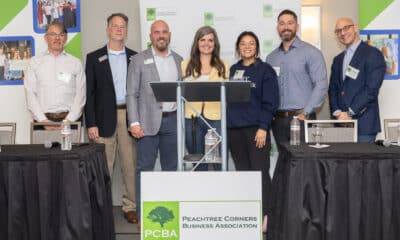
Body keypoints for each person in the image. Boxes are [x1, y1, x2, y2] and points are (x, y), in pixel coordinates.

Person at [126, 20, 182, 228]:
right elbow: (131, 93)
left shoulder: (178, 60)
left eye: (164, 32)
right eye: (156, 32)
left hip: (173, 123)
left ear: (169, 34)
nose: (161, 35)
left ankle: (170, 214)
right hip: (146, 124)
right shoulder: (138, 60)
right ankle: (143, 215)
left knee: (171, 169)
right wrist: (134, 122)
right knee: (144, 171)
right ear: (150, 36)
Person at [85, 13, 138, 223]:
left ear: (126, 31)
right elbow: (89, 94)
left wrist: (138, 120)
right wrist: (91, 123)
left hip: (129, 116)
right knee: (102, 167)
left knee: (129, 165)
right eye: (115, 26)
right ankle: (100, 208)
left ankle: (130, 207)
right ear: (107, 29)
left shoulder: (136, 57)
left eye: (122, 26)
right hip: (102, 119)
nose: (118, 29)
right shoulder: (94, 57)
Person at [227, 31, 279, 233]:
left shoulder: (265, 70)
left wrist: (263, 127)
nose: (247, 47)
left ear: (256, 47)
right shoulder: (233, 69)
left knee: (260, 173)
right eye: (243, 43)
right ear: (238, 47)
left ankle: (267, 216)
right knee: (244, 174)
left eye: (251, 43)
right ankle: (250, 213)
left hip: (256, 130)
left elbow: (271, 102)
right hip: (235, 130)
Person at [266, 9, 328, 144]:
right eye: (282, 23)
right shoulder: (271, 58)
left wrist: (306, 112)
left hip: (302, 118)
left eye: (290, 23)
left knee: (304, 162)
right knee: (284, 160)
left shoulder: (311, 52)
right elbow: (269, 89)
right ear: (278, 28)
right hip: (278, 120)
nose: (286, 27)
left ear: (297, 27)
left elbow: (321, 85)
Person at [328, 17, 386, 142]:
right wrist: (337, 112)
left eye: (346, 28)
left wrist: (349, 113)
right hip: (340, 125)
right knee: (341, 162)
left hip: (364, 126)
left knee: (363, 162)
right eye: (338, 31)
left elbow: (371, 90)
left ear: (355, 28)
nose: (342, 33)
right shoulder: (337, 60)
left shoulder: (373, 54)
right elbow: (333, 89)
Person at [181, 26, 229, 171]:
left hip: (216, 118)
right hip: (192, 118)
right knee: (197, 163)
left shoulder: (224, 65)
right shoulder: (185, 64)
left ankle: (220, 193)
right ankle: (198, 193)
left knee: (219, 162)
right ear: (197, 42)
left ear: (215, 44)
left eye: (210, 40)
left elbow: (226, 93)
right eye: (202, 40)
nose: (206, 43)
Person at [24, 21, 85, 124]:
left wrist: (69, 121)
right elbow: (30, 94)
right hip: (42, 121)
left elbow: (81, 94)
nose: (57, 38)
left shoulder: (75, 63)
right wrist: (43, 120)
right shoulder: (34, 63)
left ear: (65, 38)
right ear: (46, 38)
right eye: (53, 34)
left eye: (61, 34)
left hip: (71, 121)